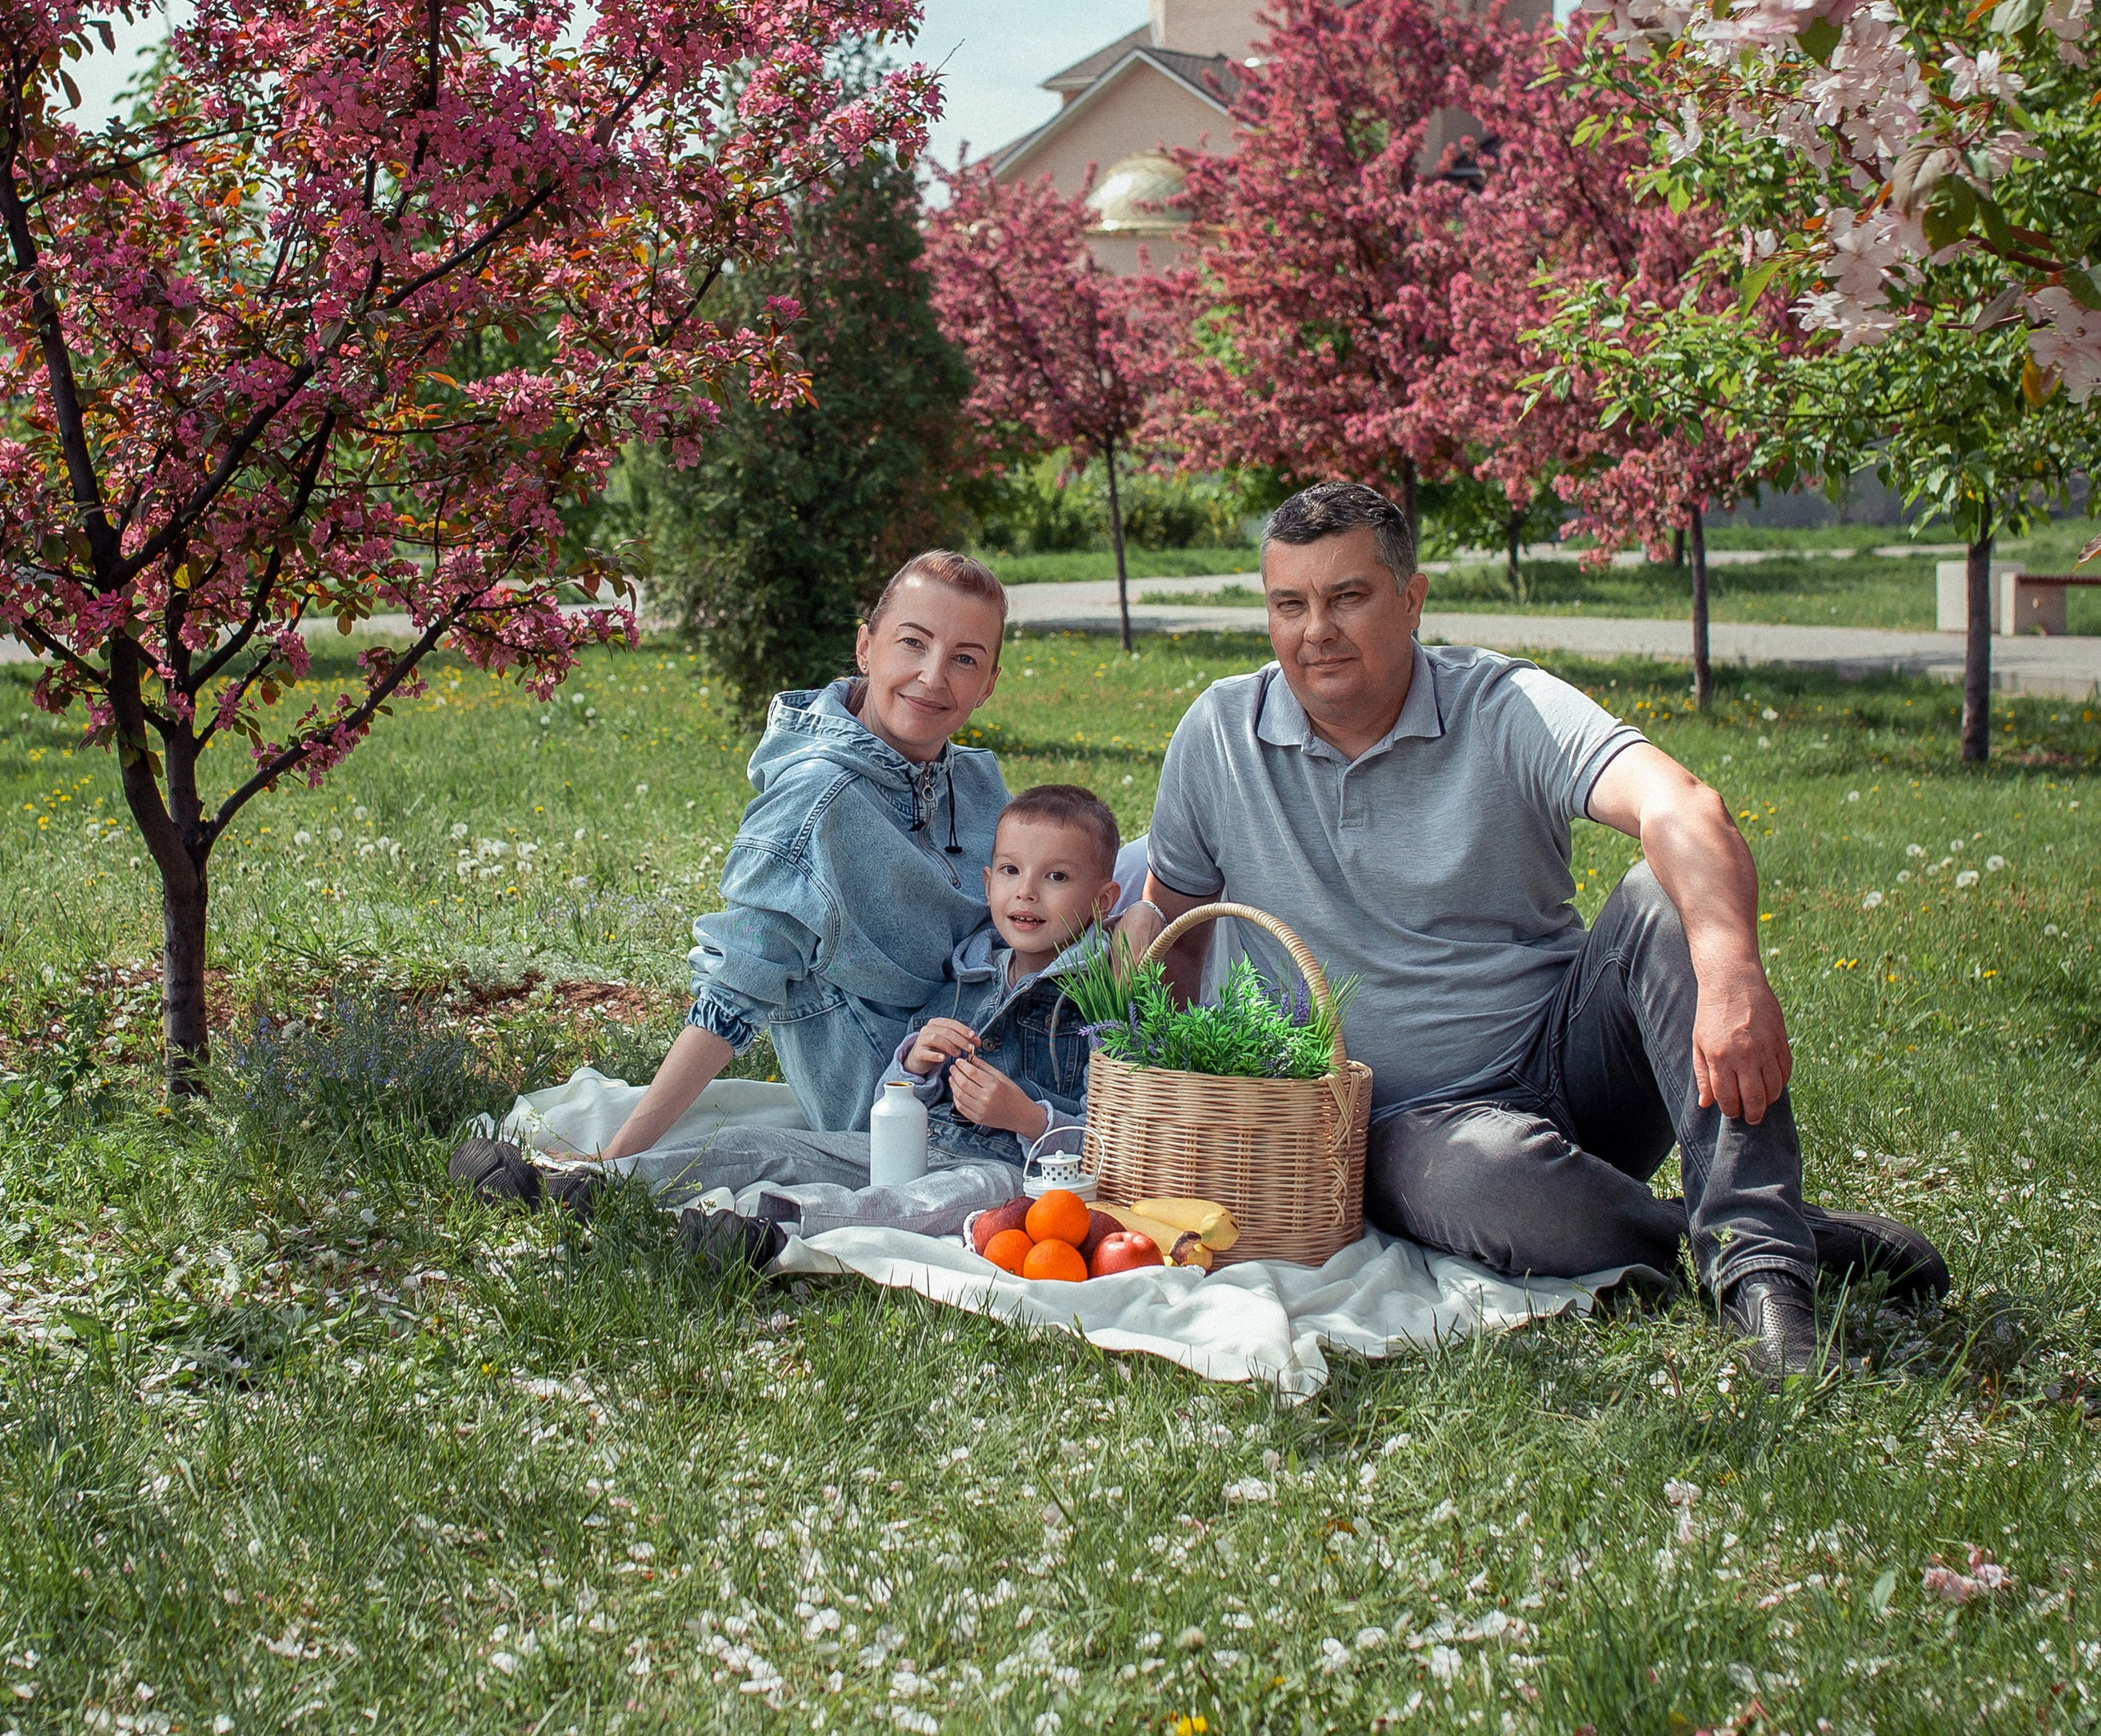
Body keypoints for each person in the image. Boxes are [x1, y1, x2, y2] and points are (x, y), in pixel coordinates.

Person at [1141, 478, 1948, 1381]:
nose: (1314, 631)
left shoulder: (1502, 704)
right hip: (1410, 1127)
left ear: (1411, 600)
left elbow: (1678, 805)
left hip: (1575, 1065)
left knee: (1659, 895)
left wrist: (1730, 971)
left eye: (1347, 597)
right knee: (1478, 1179)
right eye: (1288, 604)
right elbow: (1171, 928)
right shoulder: (1219, 733)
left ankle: (1761, 1274)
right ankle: (1767, 1232)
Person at [597, 548, 1012, 1159]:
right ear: (866, 648)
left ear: (989, 685)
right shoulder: (817, 798)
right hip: (905, 1112)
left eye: (965, 659)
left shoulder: (977, 784)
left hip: (1001, 1058)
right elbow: (736, 983)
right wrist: (618, 1156)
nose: (933, 677)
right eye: (913, 644)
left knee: (1129, 875)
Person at [897, 783, 1155, 1161]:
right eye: (1011, 870)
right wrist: (914, 1066)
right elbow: (889, 1112)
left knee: (915, 1199)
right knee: (782, 1154)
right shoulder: (971, 974)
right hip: (918, 1150)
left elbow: (1115, 1146)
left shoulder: (1105, 1000)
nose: (1026, 891)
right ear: (988, 885)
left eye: (1057, 877)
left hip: (1006, 1173)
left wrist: (1027, 1119)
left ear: (1101, 902)